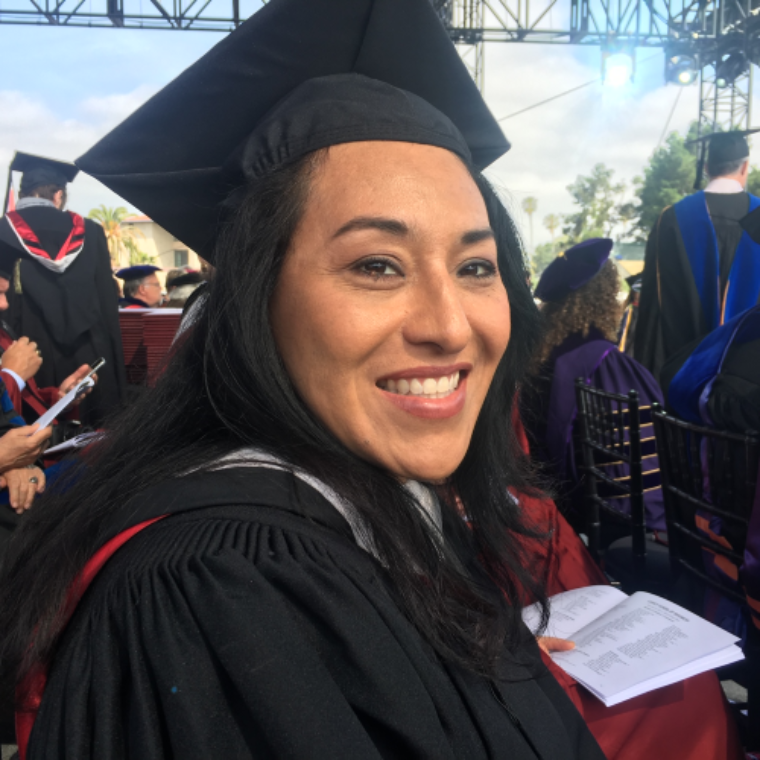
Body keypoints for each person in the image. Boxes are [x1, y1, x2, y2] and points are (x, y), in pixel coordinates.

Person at [0, 1, 608, 758]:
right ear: (255, 297)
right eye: (376, 265)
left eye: (475, 266)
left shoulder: (370, 494)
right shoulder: (221, 592)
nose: (453, 326)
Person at [520, 238, 665, 532]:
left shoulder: (537, 354)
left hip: (551, 497)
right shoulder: (604, 361)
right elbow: (639, 463)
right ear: (604, 295)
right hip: (599, 513)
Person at [0, 153, 126, 426]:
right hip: (88, 355)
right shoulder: (90, 232)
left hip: (25, 356)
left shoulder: (4, 231)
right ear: (58, 195)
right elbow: (106, 304)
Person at [634, 131, 760, 380]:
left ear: (705, 167)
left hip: (681, 379)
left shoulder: (671, 220)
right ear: (745, 166)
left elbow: (653, 309)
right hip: (749, 390)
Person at [0, 274, 95, 426]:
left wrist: (60, 399)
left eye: (5, 293)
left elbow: (26, 403)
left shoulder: (3, 335)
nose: (4, 304)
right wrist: (12, 377)